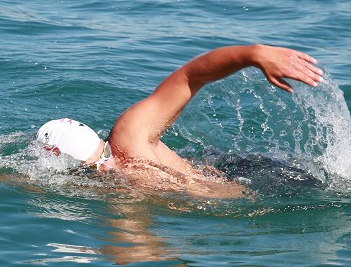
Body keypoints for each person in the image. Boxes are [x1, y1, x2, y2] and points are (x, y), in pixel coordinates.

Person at [34, 43, 351, 204]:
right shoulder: (122, 146)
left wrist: (257, 53)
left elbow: (192, 77)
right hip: (230, 171)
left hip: (246, 177)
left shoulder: (130, 142)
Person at [35, 43, 324, 197]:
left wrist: (254, 54)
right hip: (227, 180)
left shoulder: (130, 134)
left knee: (348, 187)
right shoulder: (112, 178)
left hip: (252, 177)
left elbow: (190, 76)